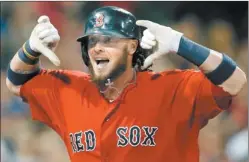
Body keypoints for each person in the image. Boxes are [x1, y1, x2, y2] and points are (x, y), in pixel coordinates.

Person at [6, 6, 247, 162]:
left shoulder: (171, 87)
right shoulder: (70, 88)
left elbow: (234, 81)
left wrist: (180, 43)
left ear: (132, 46)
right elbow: (16, 82)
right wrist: (28, 50)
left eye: (108, 39)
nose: (97, 47)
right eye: (92, 41)